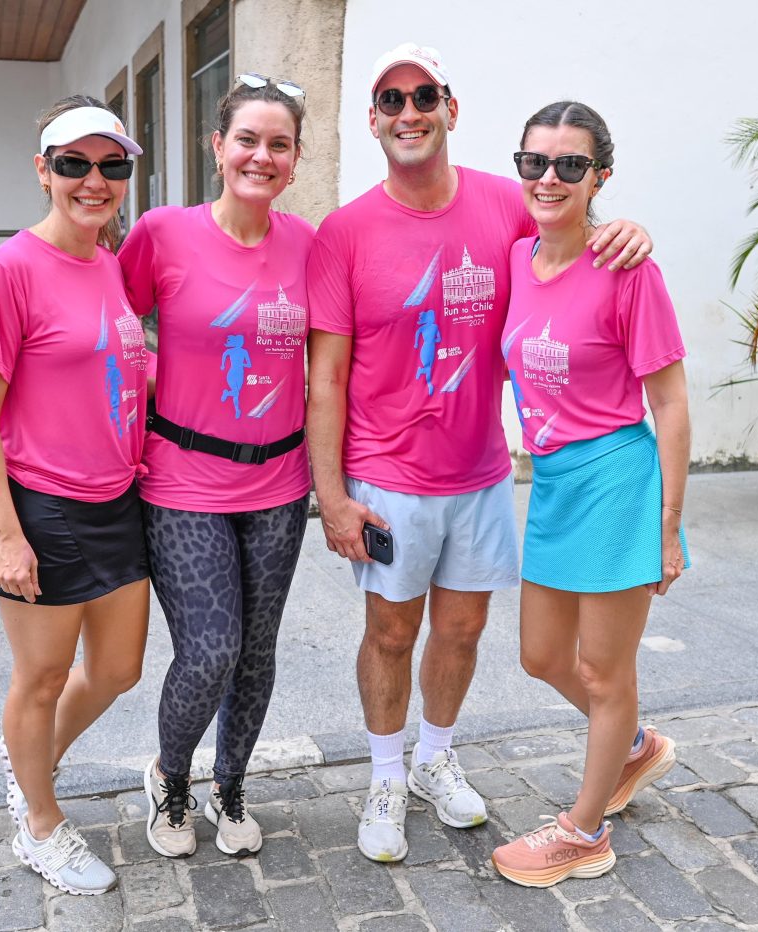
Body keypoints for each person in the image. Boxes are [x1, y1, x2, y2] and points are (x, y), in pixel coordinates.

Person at [305, 44, 654, 863]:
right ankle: (385, 775)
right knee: (390, 633)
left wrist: (624, 228)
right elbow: (325, 379)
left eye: (424, 95)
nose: (409, 112)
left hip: (482, 473)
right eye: (391, 100)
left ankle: (434, 756)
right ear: (373, 121)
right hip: (386, 475)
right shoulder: (346, 231)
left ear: (450, 110)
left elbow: (575, 225)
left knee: (462, 629)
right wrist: (331, 495)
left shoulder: (507, 204)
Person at [489, 101, 689, 887]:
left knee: (606, 673)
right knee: (541, 656)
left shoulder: (627, 267)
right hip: (553, 481)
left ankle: (583, 831)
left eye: (571, 165)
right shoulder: (514, 260)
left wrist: (668, 524)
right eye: (535, 162)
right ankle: (634, 747)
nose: (550, 177)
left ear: (599, 175)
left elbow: (669, 402)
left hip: (616, 479)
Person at [118, 74, 313, 860]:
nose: (260, 156)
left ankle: (231, 785)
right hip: (183, 479)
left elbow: (333, 359)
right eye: (247, 140)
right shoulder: (162, 233)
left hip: (280, 481)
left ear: (295, 160)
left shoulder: (309, 244)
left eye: (278, 144)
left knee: (258, 650)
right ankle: (171, 778)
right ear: (217, 147)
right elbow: (108, 331)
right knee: (210, 649)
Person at [0, 95, 149, 895]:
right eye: (74, 163)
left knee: (118, 670)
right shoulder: (6, 271)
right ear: (44, 172)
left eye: (112, 165)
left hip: (119, 499)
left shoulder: (112, 261)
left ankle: (27, 754)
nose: (94, 180)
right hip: (43, 504)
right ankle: (40, 820)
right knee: (39, 680)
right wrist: (7, 534)